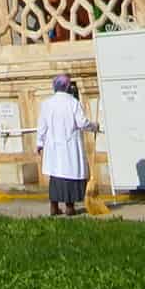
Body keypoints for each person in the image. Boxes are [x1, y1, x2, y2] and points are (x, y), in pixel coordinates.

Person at [34, 73, 97, 215]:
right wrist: (93, 126)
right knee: (70, 175)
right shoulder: (73, 103)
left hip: (54, 146)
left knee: (55, 176)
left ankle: (54, 206)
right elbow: (82, 123)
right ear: (68, 87)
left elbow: (42, 126)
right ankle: (69, 206)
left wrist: (39, 143)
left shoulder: (47, 104)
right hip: (70, 145)